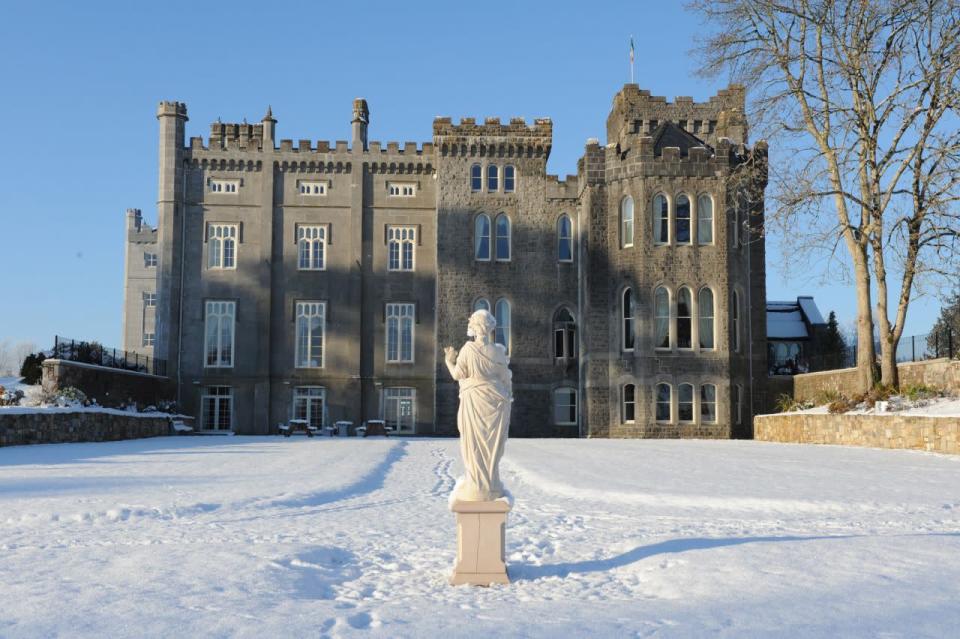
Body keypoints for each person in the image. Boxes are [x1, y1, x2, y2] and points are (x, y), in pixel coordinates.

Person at [443, 309, 513, 502]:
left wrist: (449, 361)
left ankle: (476, 484)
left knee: (473, 443)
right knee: (492, 445)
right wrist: (507, 397)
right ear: (490, 328)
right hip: (496, 402)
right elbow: (506, 379)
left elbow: (458, 374)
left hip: (473, 401)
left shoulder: (468, 350)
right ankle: (490, 483)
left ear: (474, 327)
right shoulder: (498, 351)